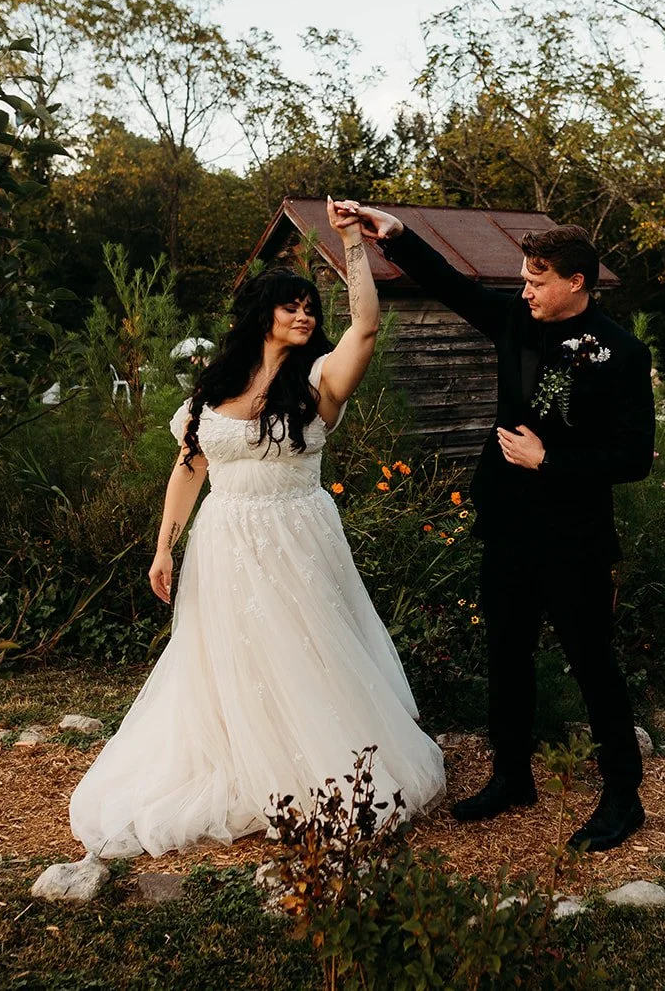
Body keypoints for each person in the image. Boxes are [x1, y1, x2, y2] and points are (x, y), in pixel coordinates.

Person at [69, 198, 445, 859]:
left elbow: (365, 323)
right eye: (292, 305)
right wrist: (164, 545)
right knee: (228, 656)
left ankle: (317, 772)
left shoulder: (320, 378)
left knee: (307, 651)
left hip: (297, 532)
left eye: (309, 307)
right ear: (262, 313)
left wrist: (351, 241)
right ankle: (243, 760)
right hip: (223, 537)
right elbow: (190, 467)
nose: (305, 315)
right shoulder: (214, 385)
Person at [342, 202, 654, 852]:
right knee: (505, 655)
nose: (526, 290)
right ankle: (513, 776)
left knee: (593, 665)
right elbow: (453, 286)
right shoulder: (513, 319)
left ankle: (623, 796)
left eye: (537, 280)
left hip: (575, 537)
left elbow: (635, 456)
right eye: (523, 277)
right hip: (508, 524)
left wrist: (554, 461)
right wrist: (395, 236)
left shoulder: (623, 353)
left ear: (576, 282)